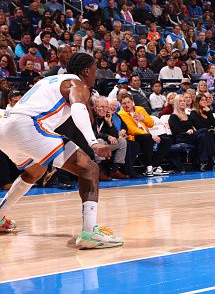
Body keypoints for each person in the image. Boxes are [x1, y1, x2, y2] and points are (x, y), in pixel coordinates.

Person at [0, 53, 123, 248]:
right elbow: (77, 109)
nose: (95, 75)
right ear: (85, 72)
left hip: (6, 128)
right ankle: (90, 233)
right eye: (93, 71)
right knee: (89, 169)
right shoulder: (76, 83)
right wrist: (93, 142)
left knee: (35, 171)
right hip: (29, 126)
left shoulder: (51, 79)